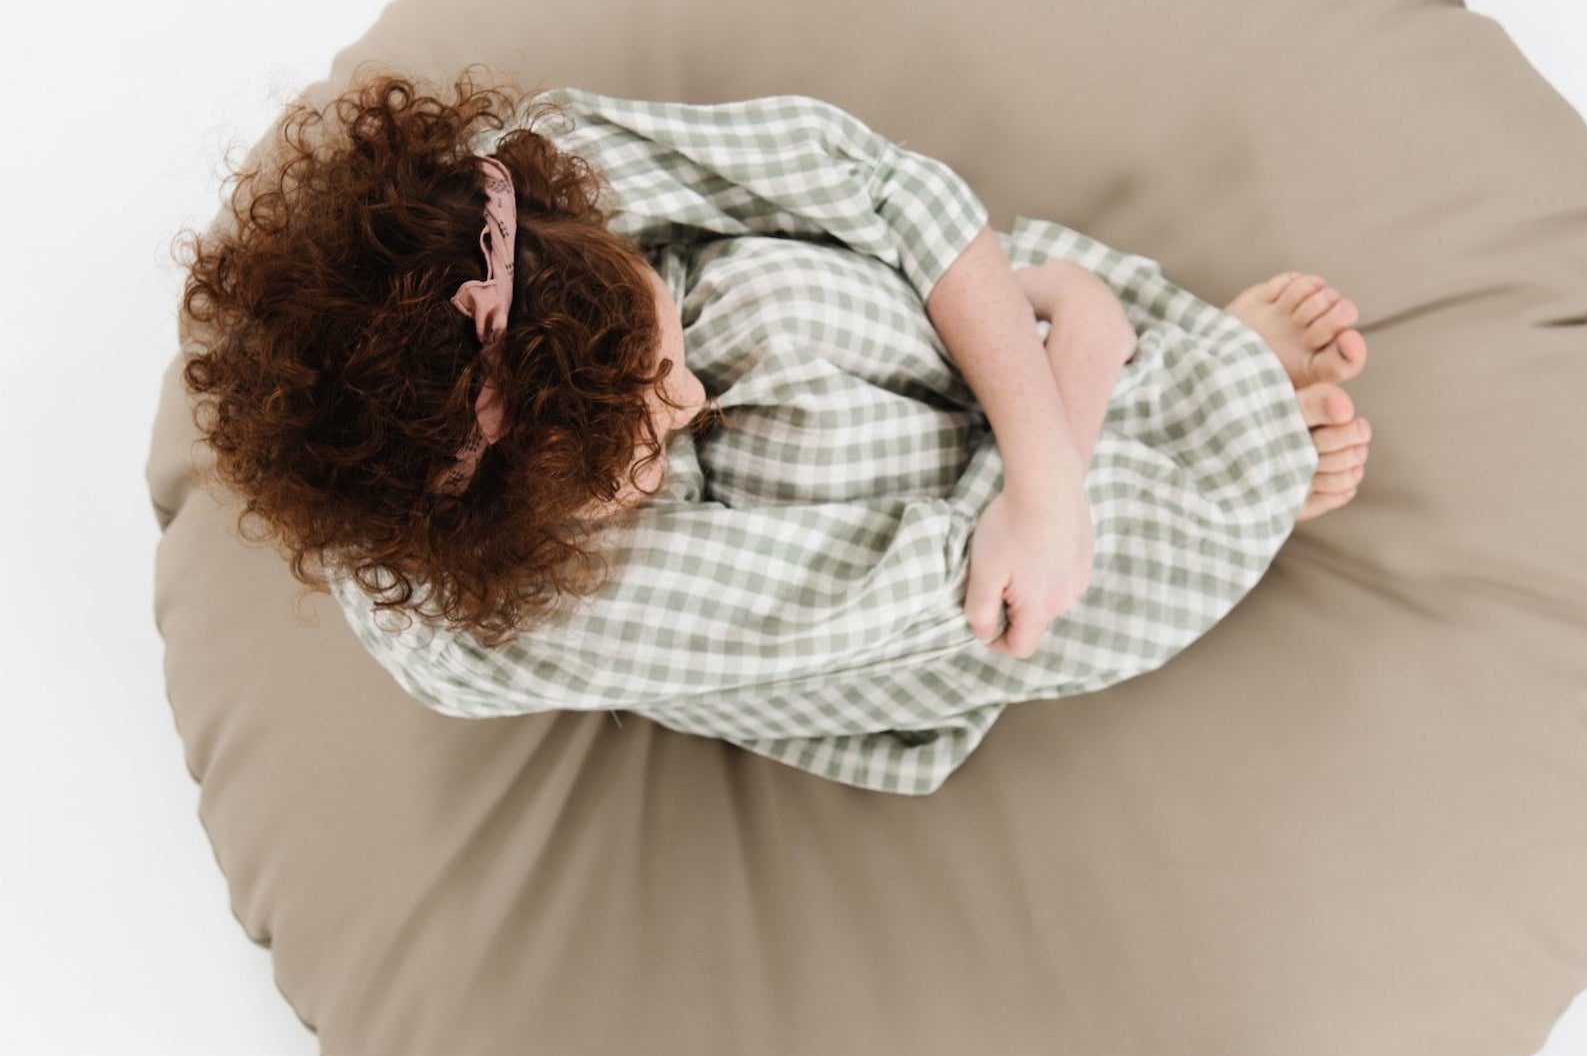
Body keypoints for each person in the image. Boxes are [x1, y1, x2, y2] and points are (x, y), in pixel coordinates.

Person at [173, 65, 1372, 795]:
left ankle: (1094, 398)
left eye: (661, 355)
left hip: (927, 406)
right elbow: (953, 600)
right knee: (853, 468)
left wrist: (1045, 479)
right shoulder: (525, 615)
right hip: (828, 613)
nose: (688, 403)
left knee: (772, 300)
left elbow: (871, 179)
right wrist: (1092, 339)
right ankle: (1189, 410)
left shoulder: (533, 186)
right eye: (635, 443)